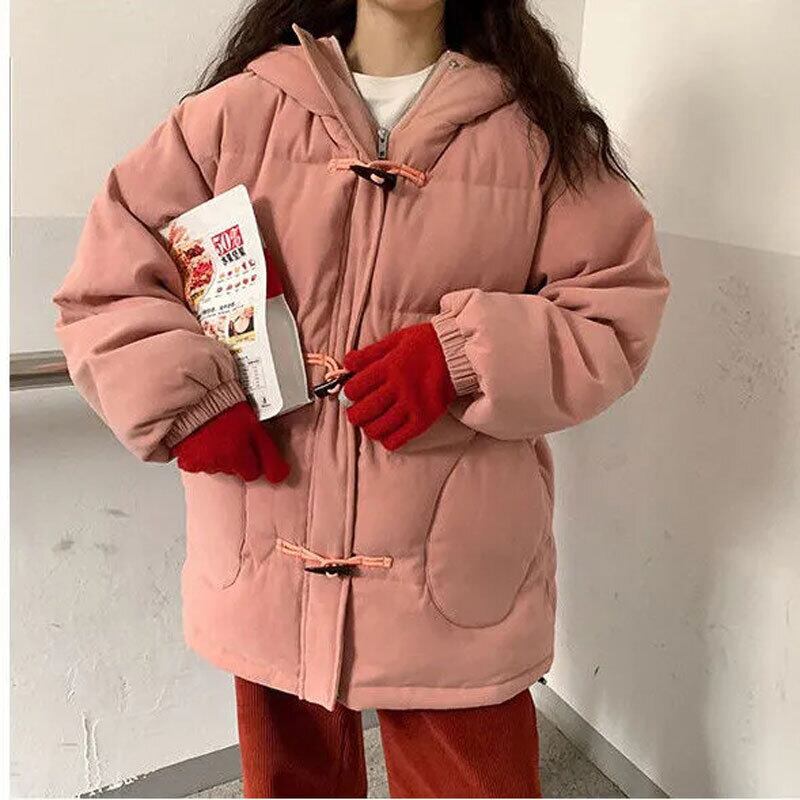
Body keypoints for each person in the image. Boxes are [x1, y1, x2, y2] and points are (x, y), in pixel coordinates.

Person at [52, 1, 670, 796]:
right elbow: (109, 282)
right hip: (271, 535)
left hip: (457, 568)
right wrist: (185, 400)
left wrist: (459, 355)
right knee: (290, 783)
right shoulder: (232, 115)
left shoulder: (539, 137)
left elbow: (614, 311)